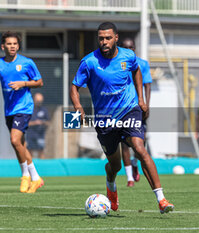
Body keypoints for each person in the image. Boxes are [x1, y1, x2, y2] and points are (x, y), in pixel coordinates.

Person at [70, 22, 174, 214]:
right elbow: (74, 86)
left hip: (129, 110)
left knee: (140, 148)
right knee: (115, 165)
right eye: (101, 38)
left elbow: (136, 71)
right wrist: (78, 108)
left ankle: (161, 199)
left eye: (108, 38)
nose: (104, 41)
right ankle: (111, 184)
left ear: (116, 38)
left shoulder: (128, 56)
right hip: (105, 120)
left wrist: (141, 99)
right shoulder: (89, 62)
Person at [0, 31, 44, 193]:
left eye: (15, 44)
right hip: (9, 110)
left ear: (18, 46)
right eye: (9, 44)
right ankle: (36, 178)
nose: (12, 46)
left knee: (14, 140)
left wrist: (23, 83)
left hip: (24, 107)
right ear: (3, 46)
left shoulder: (27, 63)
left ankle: (25, 175)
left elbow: (39, 82)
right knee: (20, 145)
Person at [120, 38, 152, 187]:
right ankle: (129, 178)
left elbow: (147, 85)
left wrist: (146, 104)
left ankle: (134, 162)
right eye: (126, 47)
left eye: (131, 47)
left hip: (137, 107)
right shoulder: (117, 63)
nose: (129, 50)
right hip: (121, 108)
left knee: (140, 141)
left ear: (135, 48)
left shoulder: (142, 63)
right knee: (124, 143)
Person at [27, 93, 49, 159]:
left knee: (41, 151)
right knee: (30, 152)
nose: (39, 102)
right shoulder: (29, 109)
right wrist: (34, 123)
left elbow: (48, 122)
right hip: (30, 135)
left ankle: (42, 166)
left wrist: (43, 122)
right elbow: (25, 123)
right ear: (34, 100)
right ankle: (30, 167)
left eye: (40, 101)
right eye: (38, 101)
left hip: (40, 135)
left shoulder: (44, 110)